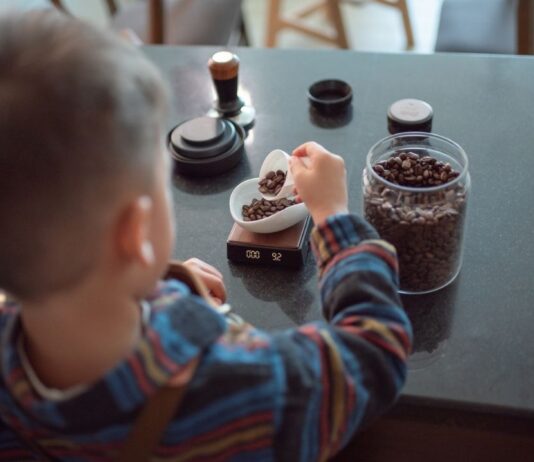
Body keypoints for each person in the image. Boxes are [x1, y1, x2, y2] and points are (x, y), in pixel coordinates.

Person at [0, 9, 412, 462]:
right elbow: (374, 354)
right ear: (136, 232)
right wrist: (334, 217)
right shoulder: (249, 391)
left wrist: (158, 280)